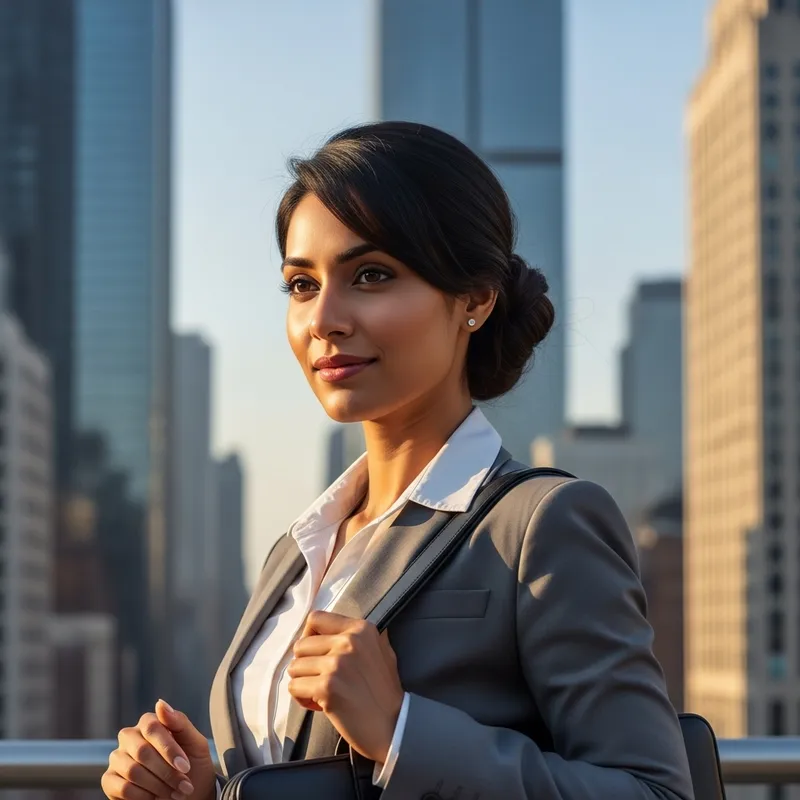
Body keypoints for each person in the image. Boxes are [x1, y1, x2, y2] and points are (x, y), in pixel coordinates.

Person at [101, 121, 694, 800]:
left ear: (474, 299)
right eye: (301, 284)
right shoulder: (296, 550)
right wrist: (199, 792)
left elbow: (655, 791)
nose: (324, 317)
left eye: (372, 275)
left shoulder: (544, 524)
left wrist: (402, 732)